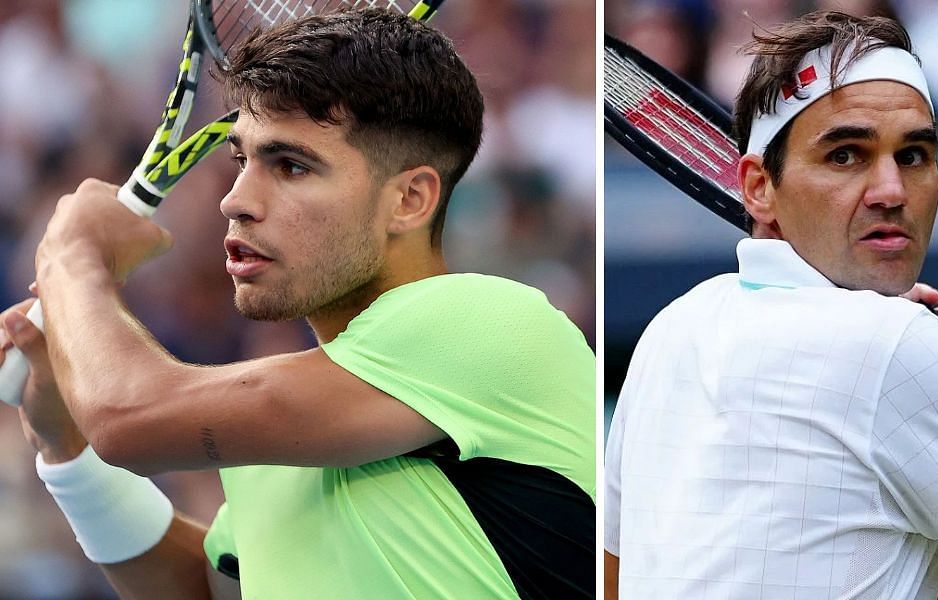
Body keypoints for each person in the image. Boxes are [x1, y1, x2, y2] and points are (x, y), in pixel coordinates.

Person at [0, 9, 595, 600]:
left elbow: (125, 418)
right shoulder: (279, 421)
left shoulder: (491, 323)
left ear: (410, 200)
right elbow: (196, 588)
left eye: (290, 166)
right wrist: (65, 447)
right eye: (241, 159)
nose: (236, 200)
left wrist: (71, 255)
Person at [604, 11, 938, 599]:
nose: (891, 191)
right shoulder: (893, 346)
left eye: (913, 156)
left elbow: (613, 581)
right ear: (759, 186)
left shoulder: (674, 325)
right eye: (846, 155)